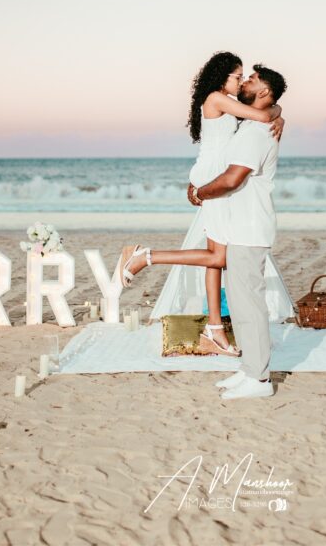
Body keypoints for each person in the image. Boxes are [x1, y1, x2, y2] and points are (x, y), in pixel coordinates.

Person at [118, 52, 283, 356]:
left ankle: (215, 328)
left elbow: (261, 110)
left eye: (245, 76)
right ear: (223, 77)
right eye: (238, 76)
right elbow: (262, 115)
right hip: (213, 177)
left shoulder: (227, 102)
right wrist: (278, 111)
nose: (241, 80)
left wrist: (277, 110)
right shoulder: (216, 97)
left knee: (215, 254)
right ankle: (145, 256)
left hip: (212, 174)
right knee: (218, 256)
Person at [193, 64, 287, 399]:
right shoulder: (253, 125)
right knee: (241, 303)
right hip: (242, 228)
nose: (245, 81)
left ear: (263, 91)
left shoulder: (255, 133)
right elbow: (272, 110)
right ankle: (249, 370)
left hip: (250, 228)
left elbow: (233, 179)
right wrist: (277, 112)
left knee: (250, 306)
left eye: (252, 79)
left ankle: (260, 380)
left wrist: (199, 192)